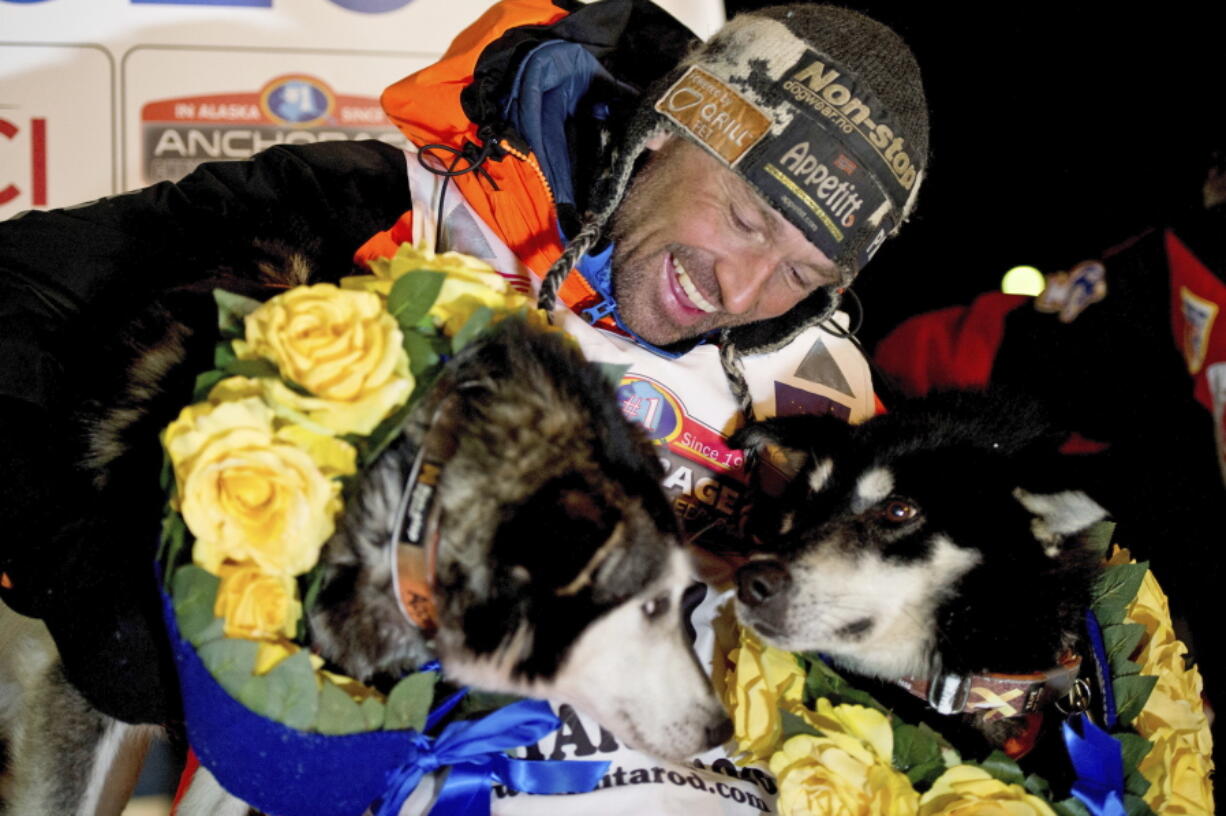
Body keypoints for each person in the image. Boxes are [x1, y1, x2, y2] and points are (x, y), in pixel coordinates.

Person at [0, 0, 928, 809]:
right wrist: (81, 563)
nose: (741, 289)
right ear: (668, 132)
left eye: (804, 274)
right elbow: (15, 297)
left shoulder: (824, 396)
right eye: (743, 219)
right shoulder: (378, 207)